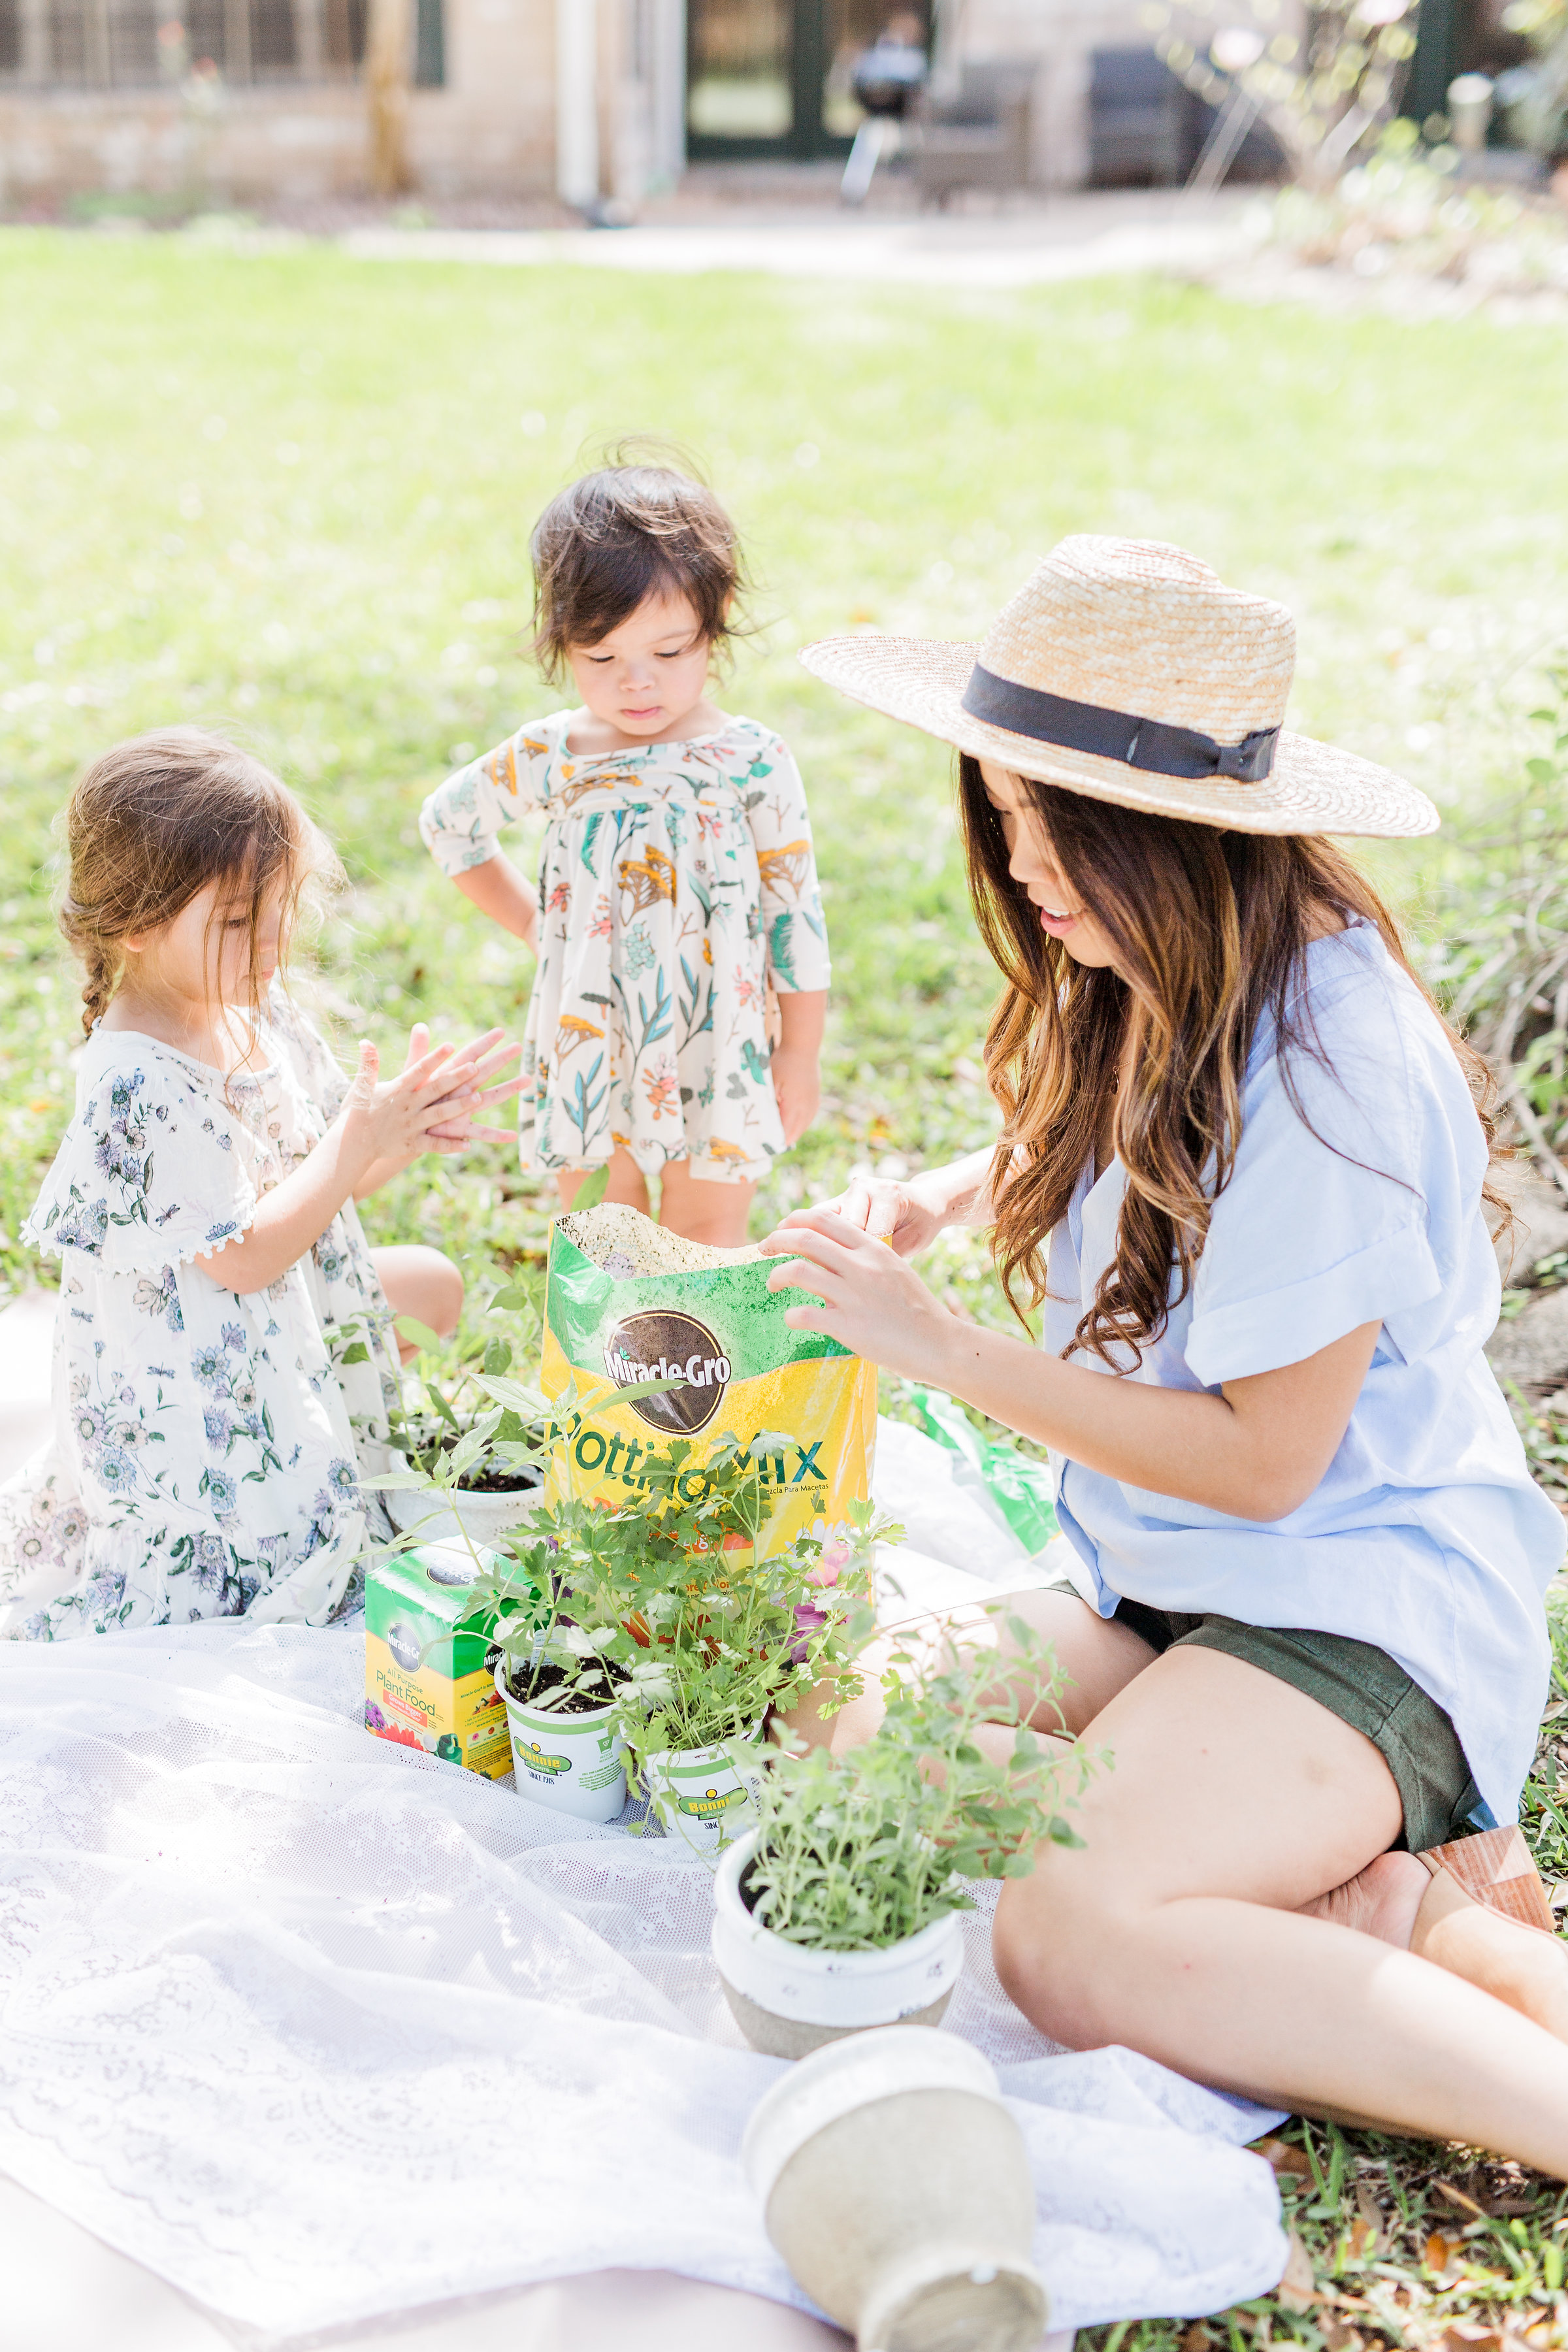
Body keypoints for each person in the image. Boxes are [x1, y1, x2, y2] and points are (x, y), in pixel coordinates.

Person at [765, 535, 1568, 2176]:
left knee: (1068, 1932)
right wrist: (927, 1199)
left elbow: (1268, 1464)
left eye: (1049, 825)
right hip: (1167, 1576)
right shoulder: (1152, 954)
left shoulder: (1329, 1058)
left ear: (1171, 832)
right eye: (998, 811)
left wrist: (940, 1353)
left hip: (1348, 1588)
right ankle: (1371, 1894)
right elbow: (1116, 1140)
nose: (1019, 862)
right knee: (838, 1718)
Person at [0, 729, 523, 1641]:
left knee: (435, 1280)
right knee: (291, 1549)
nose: (274, 940)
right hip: (210, 1389)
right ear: (135, 920)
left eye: (280, 907)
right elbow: (241, 1260)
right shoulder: (135, 1080)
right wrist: (358, 1139)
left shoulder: (251, 1010)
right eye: (239, 921)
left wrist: (393, 1132)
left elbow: (313, 1182)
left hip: (287, 1312)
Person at [419, 455, 830, 1249]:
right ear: (560, 640)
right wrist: (539, 928)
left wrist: (801, 1052)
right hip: (592, 1036)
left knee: (707, 1229)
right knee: (604, 1234)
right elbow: (451, 823)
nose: (637, 684)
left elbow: (795, 915)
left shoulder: (752, 760)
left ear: (717, 623)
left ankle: (692, 1376)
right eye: (602, 658)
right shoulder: (556, 753)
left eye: (670, 653)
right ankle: (602, 1378)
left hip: (718, 1037)